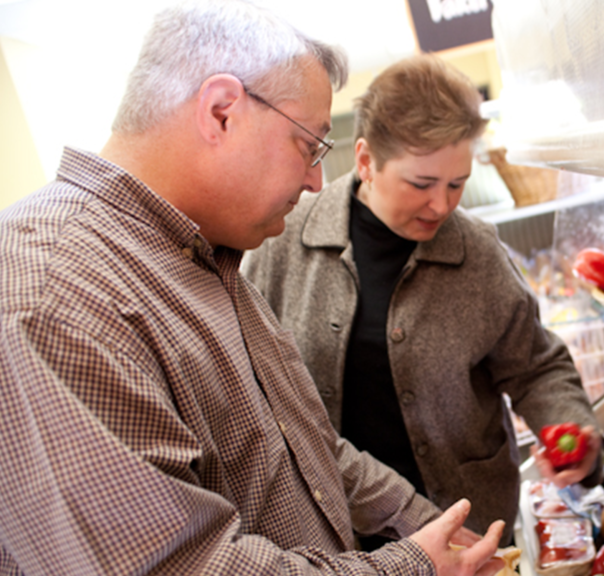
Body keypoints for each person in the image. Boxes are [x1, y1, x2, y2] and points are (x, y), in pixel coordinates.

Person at [0, 2, 507, 574]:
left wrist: (420, 522)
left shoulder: (204, 256)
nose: (317, 180)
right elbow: (180, 566)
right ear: (221, 112)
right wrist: (412, 566)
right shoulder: (54, 293)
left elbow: (305, 448)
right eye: (310, 145)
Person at [241, 54, 602, 548]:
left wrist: (571, 426)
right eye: (422, 184)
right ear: (366, 161)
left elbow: (535, 367)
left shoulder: (476, 253)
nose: (442, 205)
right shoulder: (282, 243)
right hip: (333, 539)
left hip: (467, 530)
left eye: (457, 184)